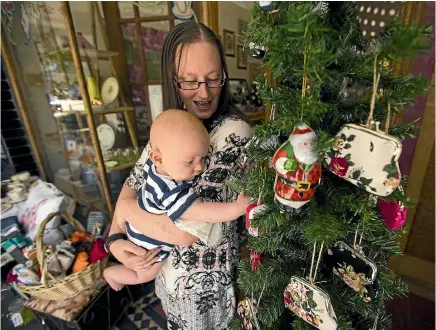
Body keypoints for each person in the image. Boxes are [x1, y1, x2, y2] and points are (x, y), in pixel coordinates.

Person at [105, 21, 253, 329]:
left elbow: (188, 230)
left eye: (214, 80)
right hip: (166, 279)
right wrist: (115, 240)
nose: (203, 93)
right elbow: (130, 189)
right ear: (172, 80)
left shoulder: (233, 133)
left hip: (208, 290)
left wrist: (129, 213)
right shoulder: (170, 127)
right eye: (189, 81)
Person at [103, 110, 249, 291]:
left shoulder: (157, 165)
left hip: (140, 231)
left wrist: (126, 210)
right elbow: (199, 210)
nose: (200, 167)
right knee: (145, 274)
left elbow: (129, 195)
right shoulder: (170, 189)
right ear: (158, 158)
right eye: (190, 162)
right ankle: (112, 275)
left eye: (203, 158)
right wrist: (237, 208)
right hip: (146, 246)